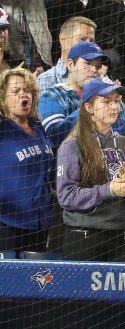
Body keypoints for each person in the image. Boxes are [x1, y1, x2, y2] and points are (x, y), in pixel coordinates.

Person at [56, 76, 125, 262]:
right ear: (89, 108)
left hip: (120, 237)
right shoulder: (72, 145)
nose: (114, 107)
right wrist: (109, 190)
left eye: (117, 101)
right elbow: (66, 196)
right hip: (84, 237)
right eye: (106, 102)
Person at [0, 68, 55, 257]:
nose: (24, 95)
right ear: (3, 99)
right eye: (15, 92)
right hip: (7, 222)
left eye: (27, 90)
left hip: (39, 221)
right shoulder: (2, 128)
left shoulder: (39, 127)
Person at [38, 40, 108, 149]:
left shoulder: (106, 95)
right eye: (88, 63)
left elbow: (123, 134)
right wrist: (90, 106)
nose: (94, 70)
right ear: (70, 65)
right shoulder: (53, 95)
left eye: (98, 66)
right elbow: (54, 137)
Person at [36, 16, 96, 91]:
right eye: (82, 39)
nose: (88, 45)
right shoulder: (44, 81)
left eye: (91, 41)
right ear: (63, 39)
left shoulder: (98, 77)